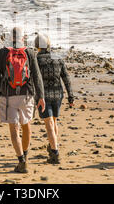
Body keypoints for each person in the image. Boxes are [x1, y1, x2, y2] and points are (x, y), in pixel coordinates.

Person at [0, 27, 46, 173]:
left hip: (8, 96)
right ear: (23, 38)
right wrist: (40, 96)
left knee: (14, 129)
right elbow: (36, 75)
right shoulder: (29, 52)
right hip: (27, 95)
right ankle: (26, 155)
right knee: (26, 125)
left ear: (10, 37)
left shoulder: (2, 53)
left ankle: (21, 160)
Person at [34, 33, 76, 164]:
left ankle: (55, 153)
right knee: (54, 122)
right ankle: (53, 146)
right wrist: (71, 96)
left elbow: (33, 79)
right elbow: (66, 78)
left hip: (43, 96)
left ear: (37, 46)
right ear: (48, 44)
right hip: (58, 94)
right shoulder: (58, 58)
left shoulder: (36, 60)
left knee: (49, 124)